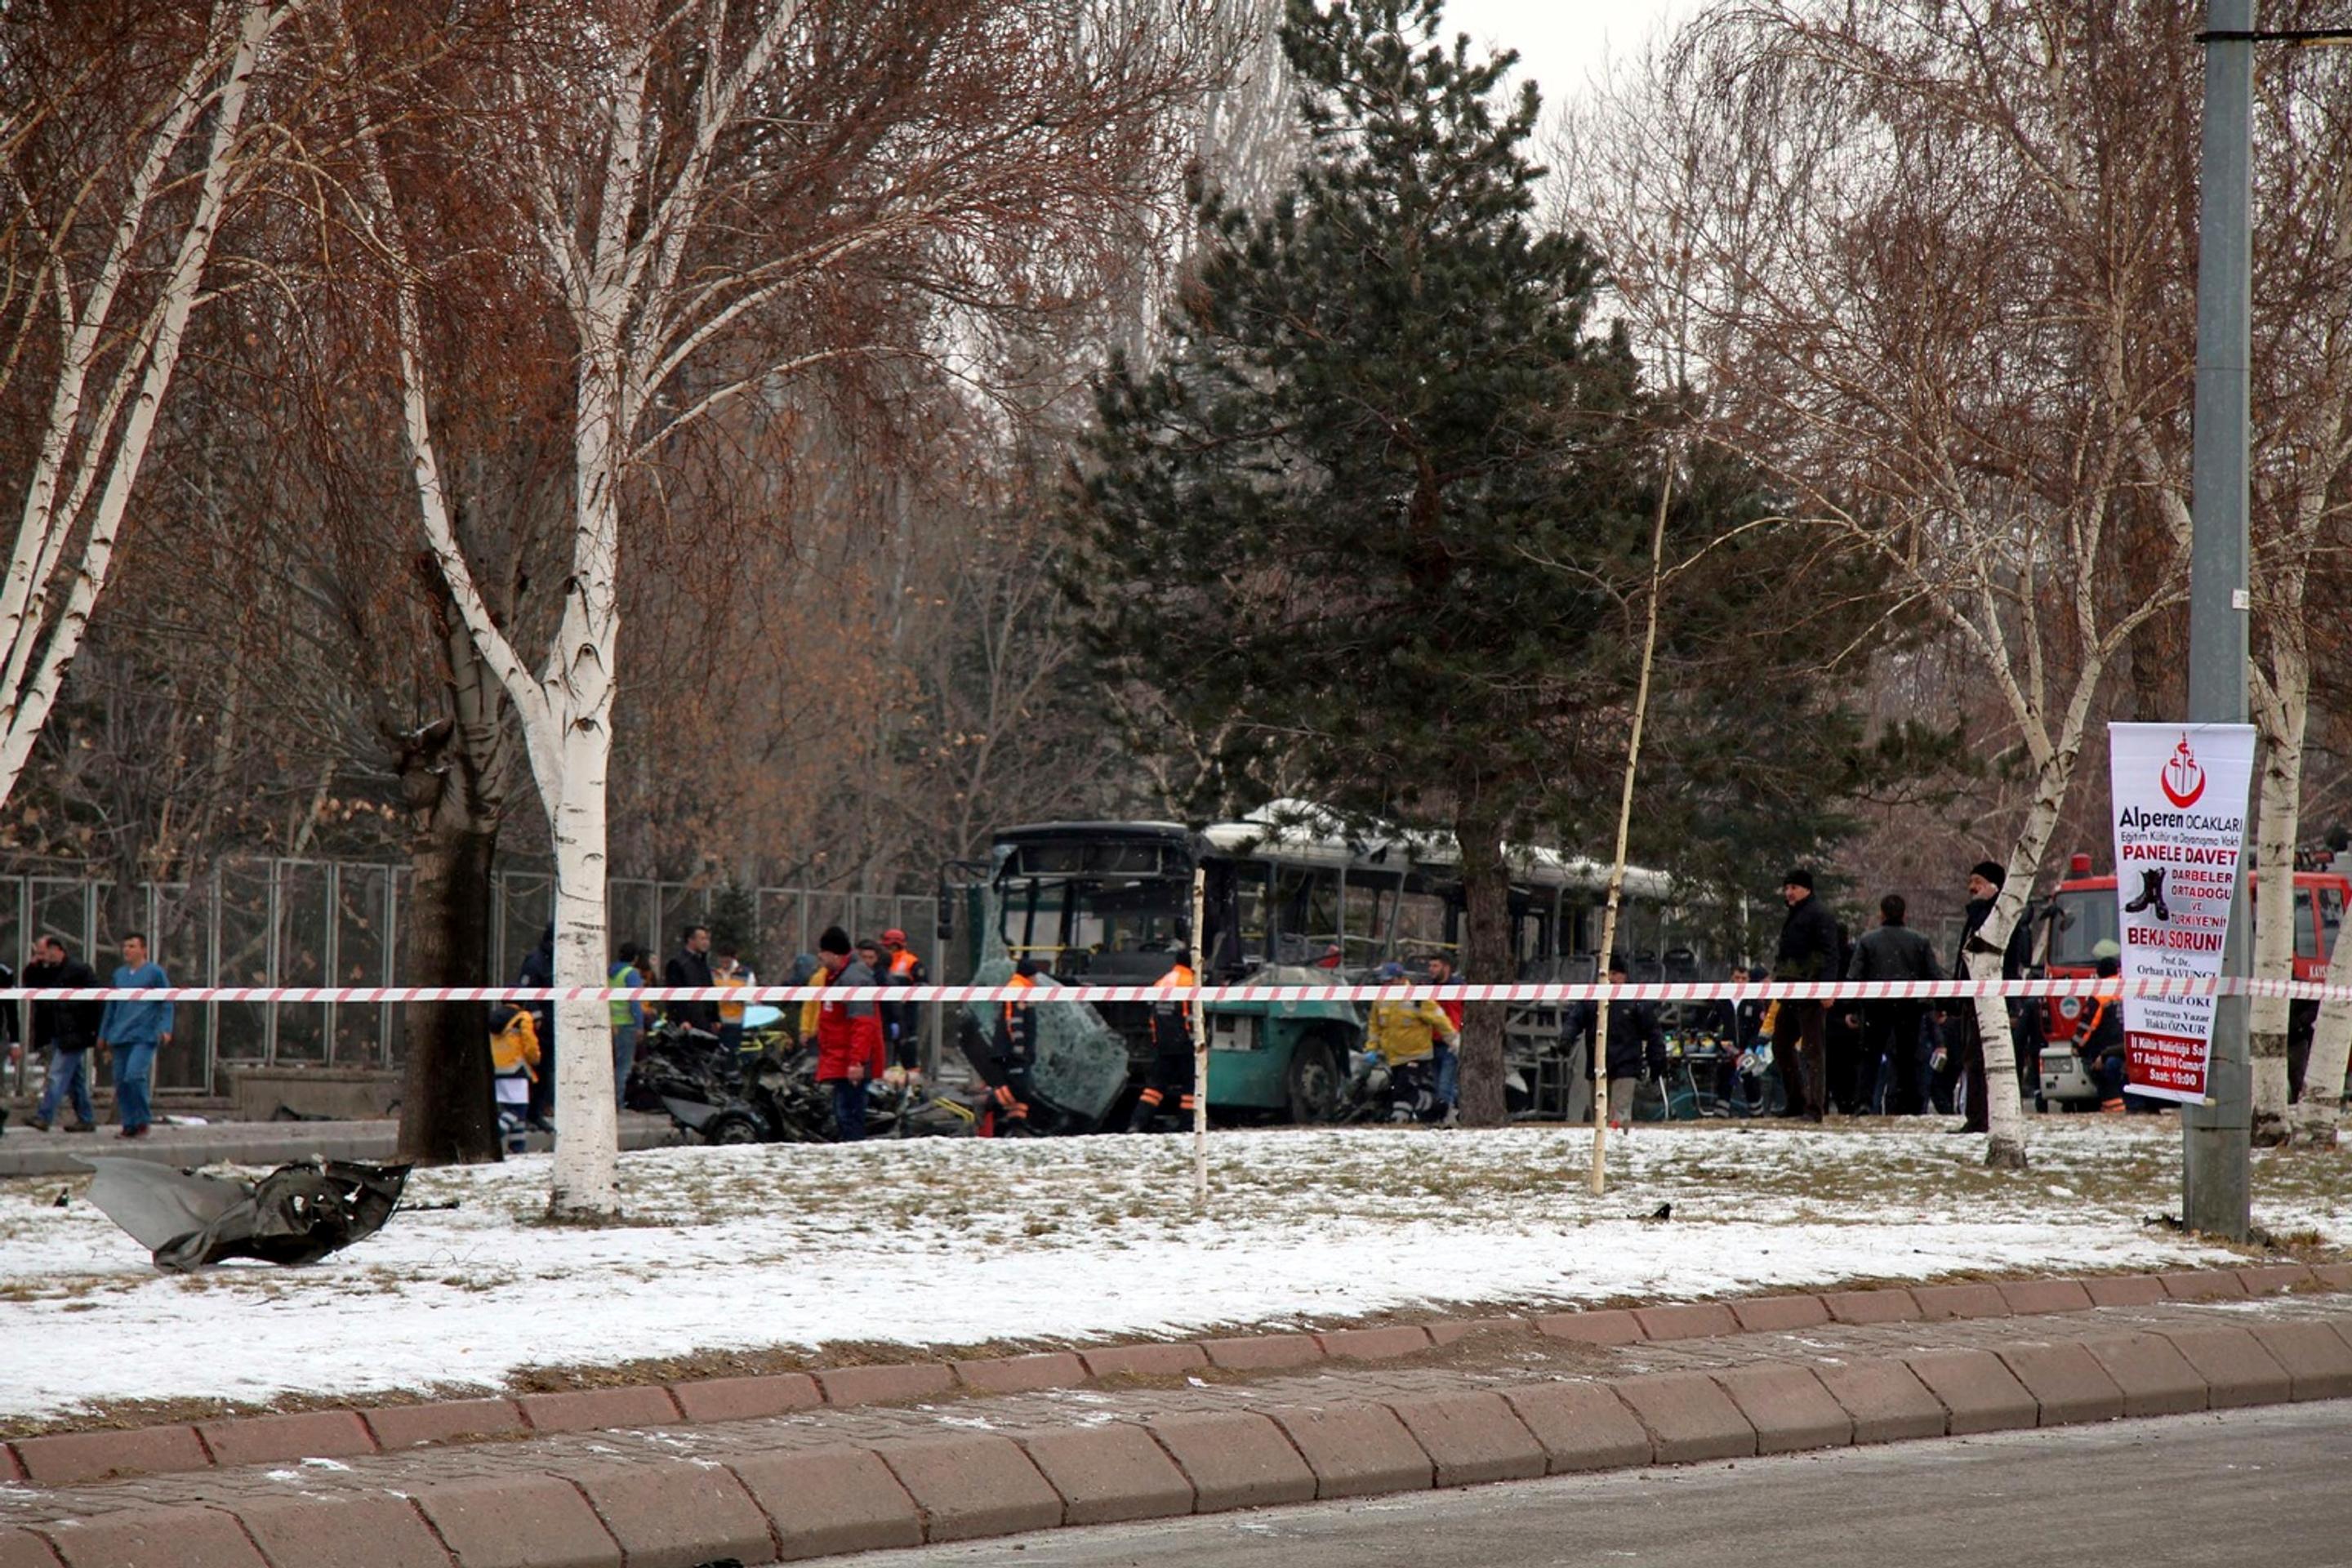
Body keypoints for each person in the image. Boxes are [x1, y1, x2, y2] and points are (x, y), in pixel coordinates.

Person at [1843, 894, 1945, 1115]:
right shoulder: (1919, 941)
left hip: (1875, 1007)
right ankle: (1908, 1102)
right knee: (1907, 1058)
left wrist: (1851, 1008)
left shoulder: (1868, 941)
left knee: (1870, 1057)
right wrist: (1941, 1005)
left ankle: (1863, 1102)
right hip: (1909, 1007)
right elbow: (1934, 975)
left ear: (1881, 914)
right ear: (1904, 914)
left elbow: (1854, 976)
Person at [1569, 952, 1668, 1127]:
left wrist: (1657, 1061)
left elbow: (1653, 1032)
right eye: (1607, 974)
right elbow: (1574, 1020)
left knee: (1620, 1117)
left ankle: (1619, 1144)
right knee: (1598, 1118)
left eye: (1615, 973)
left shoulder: (1636, 1000)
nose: (1611, 978)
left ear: (1625, 976)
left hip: (1625, 1068)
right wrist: (1565, 1040)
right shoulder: (1591, 999)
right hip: (1597, 1068)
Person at [1770, 870, 1838, 1121]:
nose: (1788, 892)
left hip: (1810, 991)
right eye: (1786, 887)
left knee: (1813, 1051)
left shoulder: (1819, 915)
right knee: (1780, 1045)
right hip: (1789, 991)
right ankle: (1795, 1102)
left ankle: (1814, 1107)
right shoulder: (1795, 915)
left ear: (1807, 889)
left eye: (1794, 887)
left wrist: (1826, 988)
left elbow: (1830, 953)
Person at [95, 933, 172, 1140]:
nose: (127, 950)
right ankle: (129, 1124)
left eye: (132, 946)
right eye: (125, 946)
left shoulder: (155, 973)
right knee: (121, 1081)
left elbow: (167, 1000)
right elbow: (111, 1005)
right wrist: (104, 1033)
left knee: (134, 1075)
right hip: (120, 1036)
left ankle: (142, 1120)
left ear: (143, 949)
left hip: (144, 1035)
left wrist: (165, 1027)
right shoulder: (119, 975)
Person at [813, 926, 885, 1141]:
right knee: (844, 1112)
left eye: (823, 952)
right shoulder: (838, 976)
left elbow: (863, 1024)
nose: (820, 956)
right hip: (841, 1058)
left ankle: (854, 1152)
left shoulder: (852, 978)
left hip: (850, 1061)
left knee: (849, 1113)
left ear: (834, 954)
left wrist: (857, 1062)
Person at [26, 937, 101, 1133]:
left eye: (46, 951)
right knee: (75, 1078)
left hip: (75, 1032)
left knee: (57, 1074)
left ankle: (44, 1116)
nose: (45, 956)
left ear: (57, 949)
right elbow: (31, 987)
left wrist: (92, 1028)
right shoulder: (47, 971)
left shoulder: (79, 970)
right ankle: (86, 1118)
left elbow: (96, 999)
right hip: (59, 1032)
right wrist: (35, 965)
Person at [1127, 953, 1201, 1131]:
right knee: (1192, 1087)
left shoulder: (1162, 981)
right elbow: (1192, 1018)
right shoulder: (1191, 983)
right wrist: (1197, 1042)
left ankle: (1137, 1123)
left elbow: (1153, 1016)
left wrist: (1156, 1039)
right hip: (1185, 1044)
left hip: (1163, 1044)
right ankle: (1188, 1126)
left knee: (1154, 1088)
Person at [2080, 941, 2127, 1113]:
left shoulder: (2099, 994)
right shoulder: (2128, 986)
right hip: (2128, 1047)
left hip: (2105, 1049)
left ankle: (2114, 1109)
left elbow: (2088, 1027)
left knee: (2102, 1077)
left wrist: (2077, 1047)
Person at [516, 924, 555, 1129]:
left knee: (547, 1071)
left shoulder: (559, 961)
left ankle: (537, 1111)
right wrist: (536, 1015)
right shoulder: (536, 962)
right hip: (539, 1027)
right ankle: (530, 1113)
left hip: (554, 1025)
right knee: (538, 1070)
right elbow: (525, 992)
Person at [489, 1004, 542, 1152]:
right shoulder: (523, 1017)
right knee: (518, 1110)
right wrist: (535, 1058)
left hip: (498, 1069)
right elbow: (529, 1044)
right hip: (517, 1069)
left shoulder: (495, 1017)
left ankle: (517, 1147)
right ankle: (493, 1136)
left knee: (508, 1110)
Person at [879, 928, 927, 1081]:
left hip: (906, 1012)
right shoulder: (880, 962)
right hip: (886, 1013)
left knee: (908, 1049)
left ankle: (912, 1083)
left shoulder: (911, 962)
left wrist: (905, 998)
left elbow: (922, 986)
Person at [1425, 954, 1466, 1121]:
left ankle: (1447, 1118)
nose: (1431, 970)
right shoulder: (1427, 989)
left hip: (1451, 1043)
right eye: (1430, 966)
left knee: (1445, 1086)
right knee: (1439, 1085)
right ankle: (1450, 1116)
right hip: (1432, 1043)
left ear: (1446, 967)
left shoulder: (1460, 988)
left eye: (1435, 966)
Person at [608, 944, 647, 1109]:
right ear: (635, 958)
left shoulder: (609, 972)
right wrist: (639, 1025)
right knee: (624, 1065)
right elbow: (635, 1001)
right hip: (627, 1024)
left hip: (611, 1022)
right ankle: (619, 1101)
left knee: (612, 1064)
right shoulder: (631, 974)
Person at [664, 924, 718, 1034]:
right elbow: (674, 994)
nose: (706, 942)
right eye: (702, 939)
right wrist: (682, 1020)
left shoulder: (703, 963)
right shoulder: (678, 963)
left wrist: (715, 1018)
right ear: (690, 940)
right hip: (688, 1024)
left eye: (708, 939)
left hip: (705, 1022)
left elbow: (710, 991)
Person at [714, 945, 749, 1058]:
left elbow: (751, 998)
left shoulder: (745, 974)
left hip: (735, 1022)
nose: (724, 961)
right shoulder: (714, 974)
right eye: (722, 957)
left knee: (731, 1055)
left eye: (727, 957)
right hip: (716, 1023)